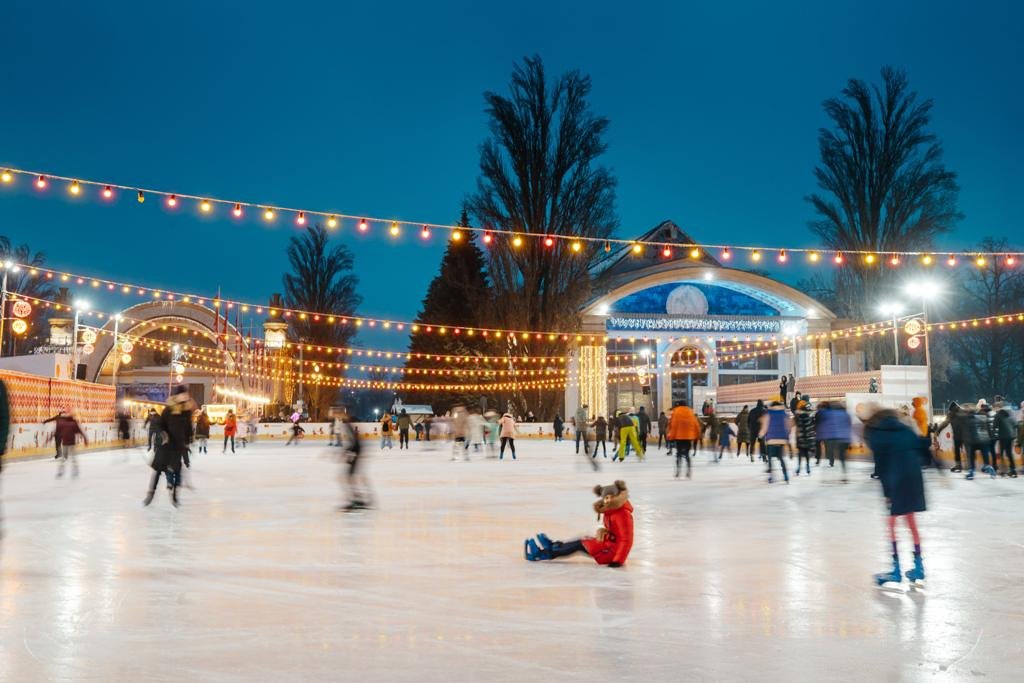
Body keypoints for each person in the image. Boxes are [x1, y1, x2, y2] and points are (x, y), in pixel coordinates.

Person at [866, 407, 928, 587]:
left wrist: (887, 494)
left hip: (896, 482)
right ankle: (919, 566)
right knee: (912, 523)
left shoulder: (878, 435)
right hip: (914, 481)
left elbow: (881, 467)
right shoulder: (907, 430)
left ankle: (896, 570)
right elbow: (923, 451)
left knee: (892, 525)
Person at [524, 481, 633, 568]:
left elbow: (626, 540)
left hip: (611, 553)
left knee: (580, 544)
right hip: (609, 546)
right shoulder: (612, 511)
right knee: (583, 539)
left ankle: (545, 553)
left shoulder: (622, 513)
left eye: (610, 496)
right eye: (605, 498)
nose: (607, 500)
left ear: (617, 496)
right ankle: (553, 546)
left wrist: (617, 561)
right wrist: (605, 532)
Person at [144, 385, 193, 507]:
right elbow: (159, 425)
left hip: (177, 447)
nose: (184, 398)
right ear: (177, 397)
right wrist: (163, 433)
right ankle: (150, 494)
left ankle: (175, 496)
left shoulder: (186, 412)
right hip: (165, 446)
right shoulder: (168, 410)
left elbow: (188, 428)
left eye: (185, 396)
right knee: (158, 471)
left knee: (177, 472)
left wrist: (188, 441)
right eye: (182, 395)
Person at [338, 416, 371, 511]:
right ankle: (357, 500)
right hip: (356, 455)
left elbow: (355, 444)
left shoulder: (348, 427)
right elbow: (354, 444)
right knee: (349, 478)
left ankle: (357, 501)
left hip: (356, 455)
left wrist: (346, 453)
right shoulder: (349, 427)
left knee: (349, 478)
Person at [817, 401, 852, 481]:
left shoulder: (829, 414)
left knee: (831, 453)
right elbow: (849, 425)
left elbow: (823, 423)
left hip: (833, 437)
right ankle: (844, 472)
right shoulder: (846, 414)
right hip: (844, 438)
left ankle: (831, 467)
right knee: (842, 456)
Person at [759, 401, 791, 484]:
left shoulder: (768, 414)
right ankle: (786, 476)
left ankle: (771, 476)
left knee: (770, 459)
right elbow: (788, 426)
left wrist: (760, 435)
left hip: (771, 440)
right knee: (781, 458)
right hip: (781, 440)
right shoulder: (784, 413)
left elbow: (765, 426)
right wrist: (787, 436)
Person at [667, 400, 700, 479]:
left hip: (679, 437)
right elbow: (696, 424)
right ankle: (688, 471)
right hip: (688, 437)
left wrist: (671, 437)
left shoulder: (676, 412)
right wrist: (697, 435)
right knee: (687, 454)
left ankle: (678, 471)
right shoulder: (690, 412)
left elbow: (674, 425)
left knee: (678, 454)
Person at [965, 402, 997, 480]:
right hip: (985, 440)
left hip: (974, 441)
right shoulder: (984, 417)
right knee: (985, 458)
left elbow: (967, 432)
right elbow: (989, 428)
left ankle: (971, 472)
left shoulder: (969, 419)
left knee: (972, 457)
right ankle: (990, 468)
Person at [54, 409, 87, 478]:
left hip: (66, 443)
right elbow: (81, 432)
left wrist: (85, 439)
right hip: (70, 443)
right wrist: (85, 439)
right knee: (72, 458)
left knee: (64, 458)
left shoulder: (64, 423)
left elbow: (58, 432)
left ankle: (62, 471)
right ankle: (74, 471)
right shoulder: (73, 423)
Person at [934, 402, 965, 472]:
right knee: (967, 449)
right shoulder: (963, 412)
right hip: (965, 434)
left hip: (957, 435)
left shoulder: (951, 414)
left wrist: (938, 430)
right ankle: (970, 466)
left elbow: (945, 422)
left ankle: (959, 465)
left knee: (957, 450)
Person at [993, 402, 1017, 477]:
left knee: (1002, 453)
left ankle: (1003, 471)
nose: (994, 409)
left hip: (1003, 437)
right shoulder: (1011, 413)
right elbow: (1015, 424)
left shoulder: (998, 415)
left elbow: (995, 426)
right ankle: (1013, 470)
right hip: (1011, 436)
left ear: (998, 407)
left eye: (995, 408)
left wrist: (995, 435)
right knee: (1009, 453)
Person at [794, 401, 816, 476]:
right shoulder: (809, 417)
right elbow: (811, 429)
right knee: (807, 454)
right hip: (807, 438)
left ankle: (798, 468)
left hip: (800, 438)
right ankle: (808, 468)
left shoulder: (798, 417)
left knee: (800, 454)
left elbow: (797, 427)